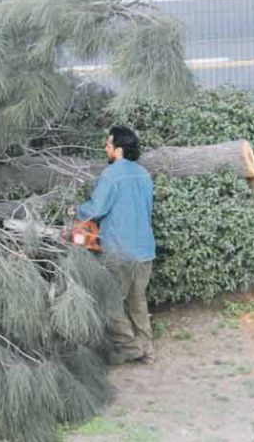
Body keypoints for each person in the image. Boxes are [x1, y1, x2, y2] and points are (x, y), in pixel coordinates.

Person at [67, 125, 156, 364]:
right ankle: (147, 349)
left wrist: (77, 209)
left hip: (120, 250)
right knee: (138, 301)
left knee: (111, 302)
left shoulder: (112, 175)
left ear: (118, 149)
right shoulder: (143, 174)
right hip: (145, 250)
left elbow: (96, 209)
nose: (105, 148)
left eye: (108, 144)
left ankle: (129, 347)